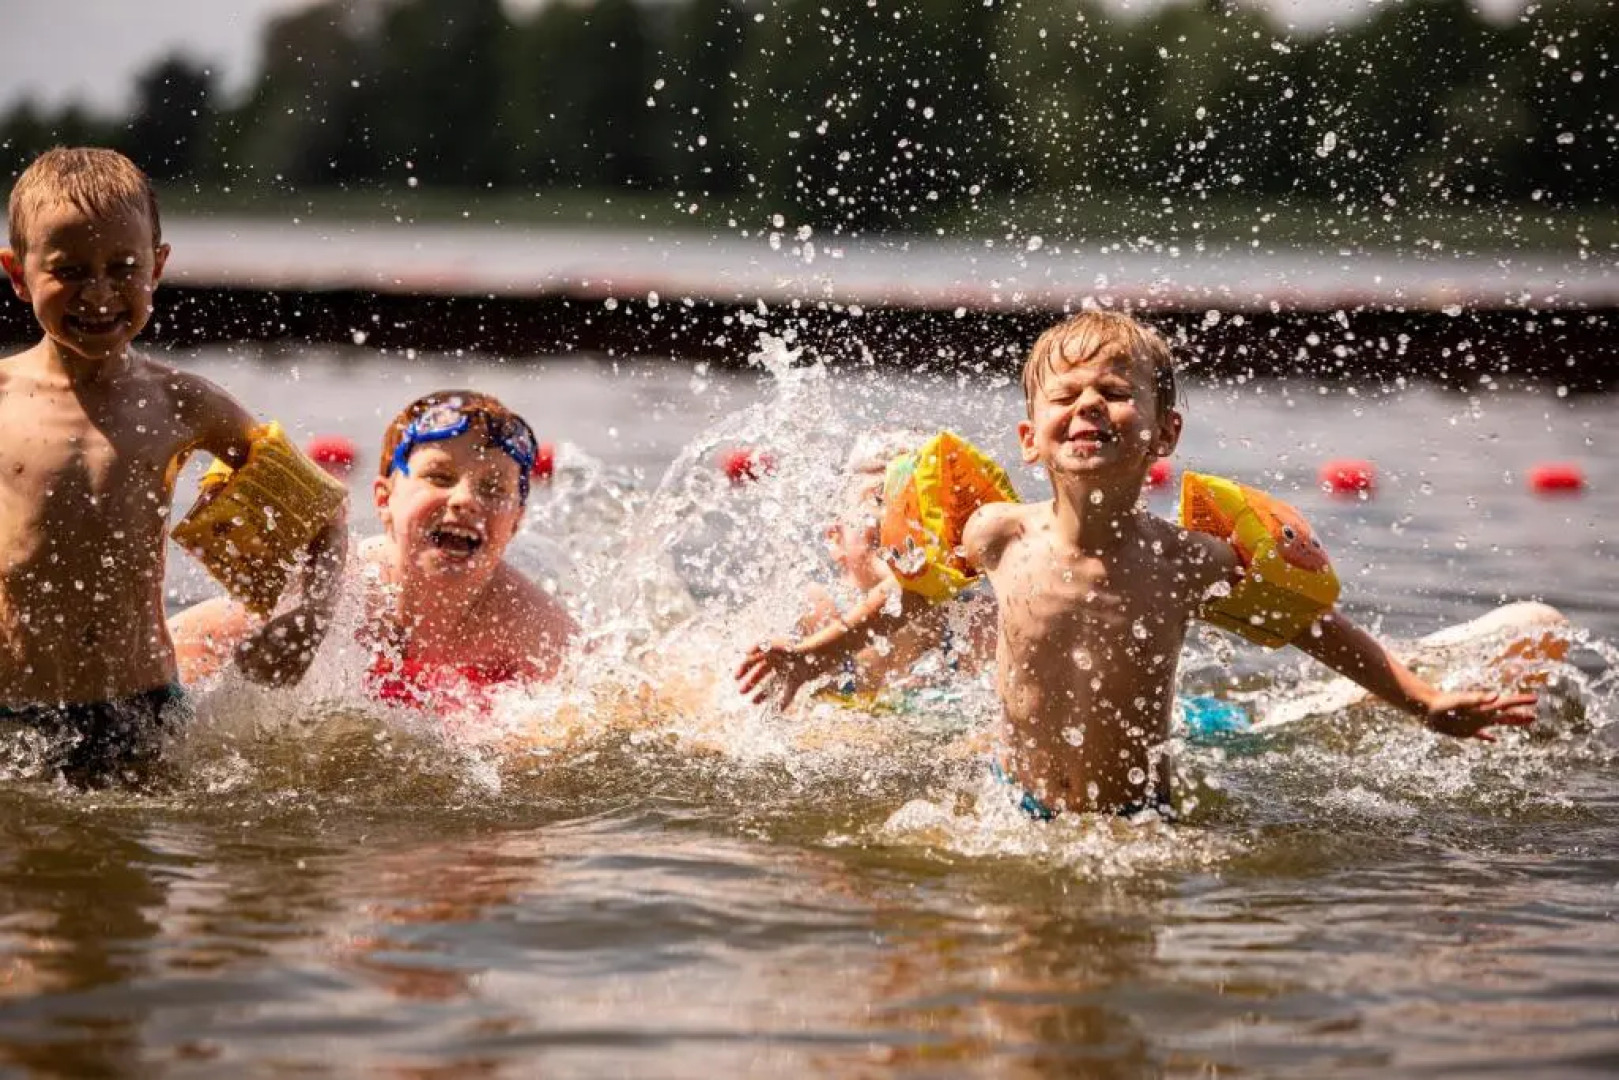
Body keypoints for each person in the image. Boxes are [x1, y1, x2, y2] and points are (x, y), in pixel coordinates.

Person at [737, 311, 1539, 818]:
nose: (1088, 405)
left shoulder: (1187, 560)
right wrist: (818, 654)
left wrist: (1421, 701)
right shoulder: (996, 536)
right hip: (1014, 812)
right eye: (1065, 396)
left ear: (1164, 434)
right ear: (1029, 440)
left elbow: (1313, 628)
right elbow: (911, 601)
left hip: (1144, 817)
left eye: (1115, 392)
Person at [0, 147, 344, 786]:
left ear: (157, 267)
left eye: (123, 268)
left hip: (144, 715)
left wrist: (309, 616)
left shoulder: (182, 403)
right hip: (12, 717)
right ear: (18, 274)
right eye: (69, 270)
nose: (99, 293)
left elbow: (323, 506)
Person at [172, 391, 576, 711]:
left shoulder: (531, 626)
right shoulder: (340, 587)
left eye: (492, 488)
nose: (464, 499)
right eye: (440, 476)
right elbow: (180, 645)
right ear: (384, 500)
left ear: (516, 522)